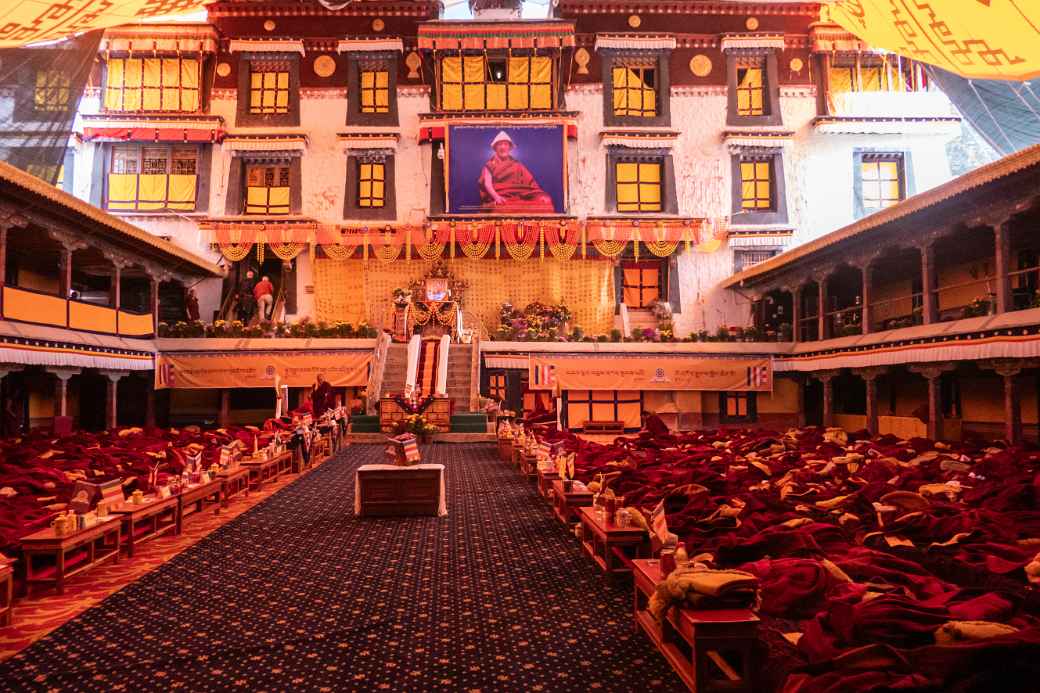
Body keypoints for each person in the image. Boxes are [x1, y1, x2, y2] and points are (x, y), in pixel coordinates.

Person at [478, 131, 554, 213]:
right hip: (501, 198)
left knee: (546, 203)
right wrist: (496, 197)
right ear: (496, 148)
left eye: (506, 144)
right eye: (500, 144)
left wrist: (539, 195)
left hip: (519, 198)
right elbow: (487, 184)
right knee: (502, 209)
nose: (503, 147)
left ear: (509, 148)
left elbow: (531, 184)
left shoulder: (517, 165)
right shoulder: (489, 165)